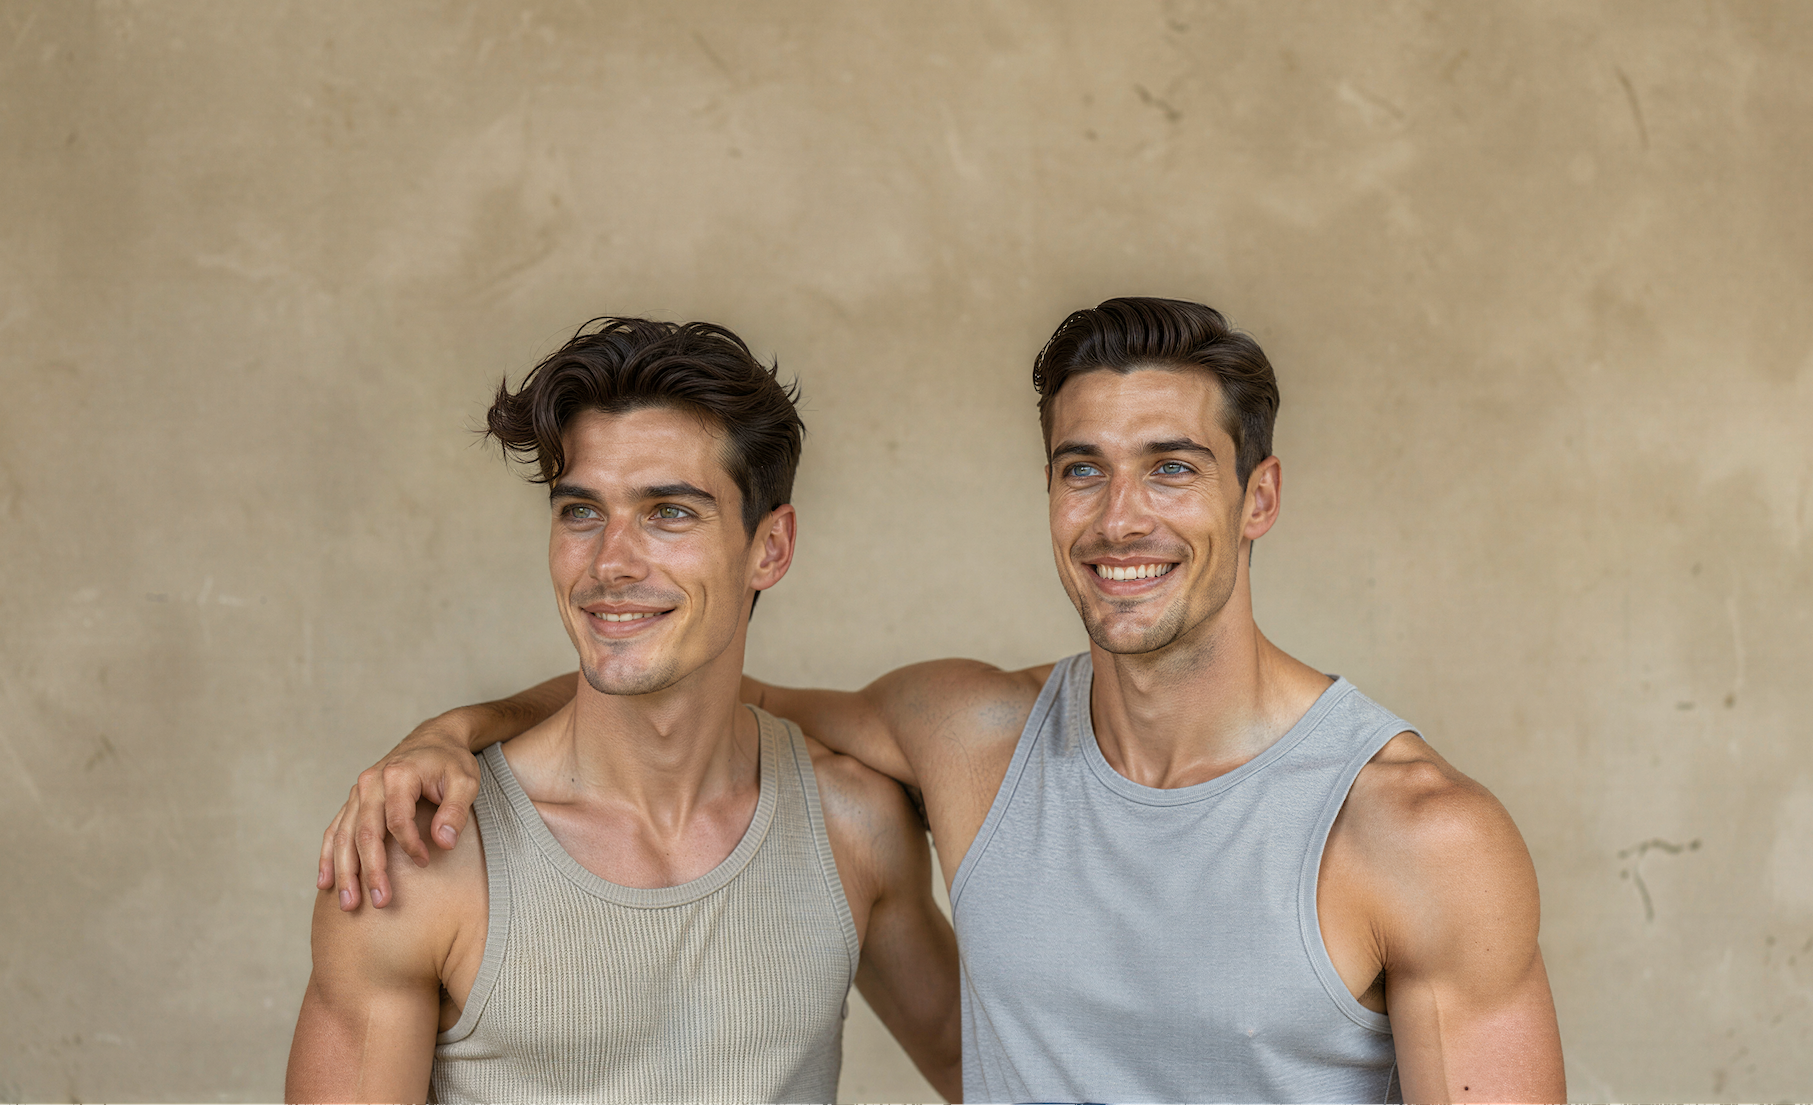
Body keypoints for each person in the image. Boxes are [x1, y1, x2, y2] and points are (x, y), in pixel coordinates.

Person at [322, 298, 1566, 1102]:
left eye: (1171, 470)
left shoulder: (1413, 834)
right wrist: (450, 735)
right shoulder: (973, 741)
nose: (1120, 517)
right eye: (1081, 471)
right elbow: (683, 677)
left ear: (1260, 499)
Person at [285, 319, 961, 1103]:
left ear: (769, 549)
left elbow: (982, 1071)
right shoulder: (420, 855)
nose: (610, 561)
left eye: (669, 511)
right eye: (581, 511)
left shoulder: (855, 826)